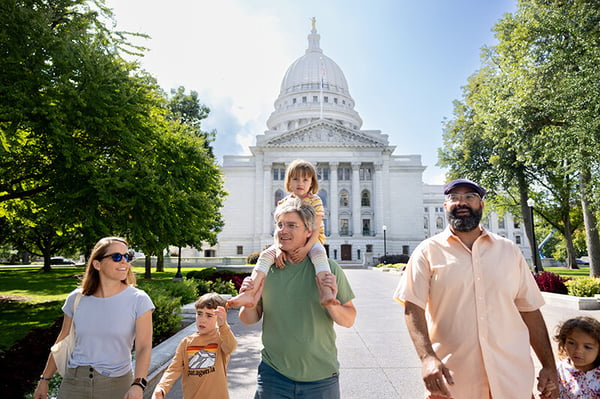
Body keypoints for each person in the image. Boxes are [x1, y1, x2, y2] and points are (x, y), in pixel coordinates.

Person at [393, 178, 558, 399]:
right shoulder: (427, 252)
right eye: (454, 198)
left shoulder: (509, 251)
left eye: (470, 197)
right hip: (454, 382)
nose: (462, 203)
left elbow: (529, 310)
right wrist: (427, 358)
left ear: (481, 205)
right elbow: (412, 307)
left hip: (511, 379)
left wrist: (548, 365)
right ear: (445, 206)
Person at [238, 198, 356, 398]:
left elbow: (349, 319)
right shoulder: (267, 270)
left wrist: (332, 306)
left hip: (321, 379)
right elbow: (248, 319)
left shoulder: (328, 269)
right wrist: (249, 306)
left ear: (308, 232)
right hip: (273, 376)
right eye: (280, 225)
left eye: (292, 225)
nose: (283, 230)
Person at [34, 236, 154, 399]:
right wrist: (44, 379)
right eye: (117, 257)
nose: (124, 262)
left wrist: (138, 384)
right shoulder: (76, 298)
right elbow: (62, 340)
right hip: (74, 382)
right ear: (97, 264)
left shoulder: (139, 299)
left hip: (117, 384)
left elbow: (144, 347)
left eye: (128, 256)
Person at [228, 159, 337, 308]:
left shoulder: (315, 200)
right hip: (286, 240)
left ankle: (326, 292)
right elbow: (278, 229)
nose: (301, 183)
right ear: (289, 182)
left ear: (312, 183)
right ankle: (248, 294)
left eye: (305, 179)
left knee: (319, 254)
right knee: (266, 255)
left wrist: (306, 249)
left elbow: (316, 229)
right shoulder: (283, 202)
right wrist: (278, 249)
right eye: (296, 178)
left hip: (312, 240)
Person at [152, 293, 237, 399]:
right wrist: (161, 388)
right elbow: (174, 369)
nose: (202, 319)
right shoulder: (186, 342)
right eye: (199, 313)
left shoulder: (221, 338)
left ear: (219, 317)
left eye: (209, 315)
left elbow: (231, 346)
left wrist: (223, 325)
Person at [554, 316, 600, 398]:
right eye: (571, 343)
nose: (578, 350)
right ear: (564, 343)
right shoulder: (558, 371)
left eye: (587, 347)